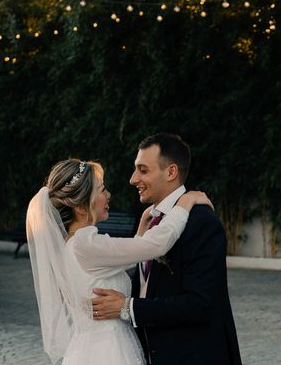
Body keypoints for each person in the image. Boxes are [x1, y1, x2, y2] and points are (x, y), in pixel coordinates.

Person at [26, 158, 211, 365]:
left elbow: (129, 257)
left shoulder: (72, 246)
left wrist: (143, 223)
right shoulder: (85, 245)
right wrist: (185, 203)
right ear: (80, 207)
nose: (108, 196)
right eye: (102, 190)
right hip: (108, 353)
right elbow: (156, 246)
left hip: (89, 348)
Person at [91, 133, 242, 365]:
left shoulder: (201, 222)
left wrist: (127, 307)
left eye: (143, 170)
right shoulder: (150, 221)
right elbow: (146, 285)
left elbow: (199, 303)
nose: (133, 179)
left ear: (171, 172)